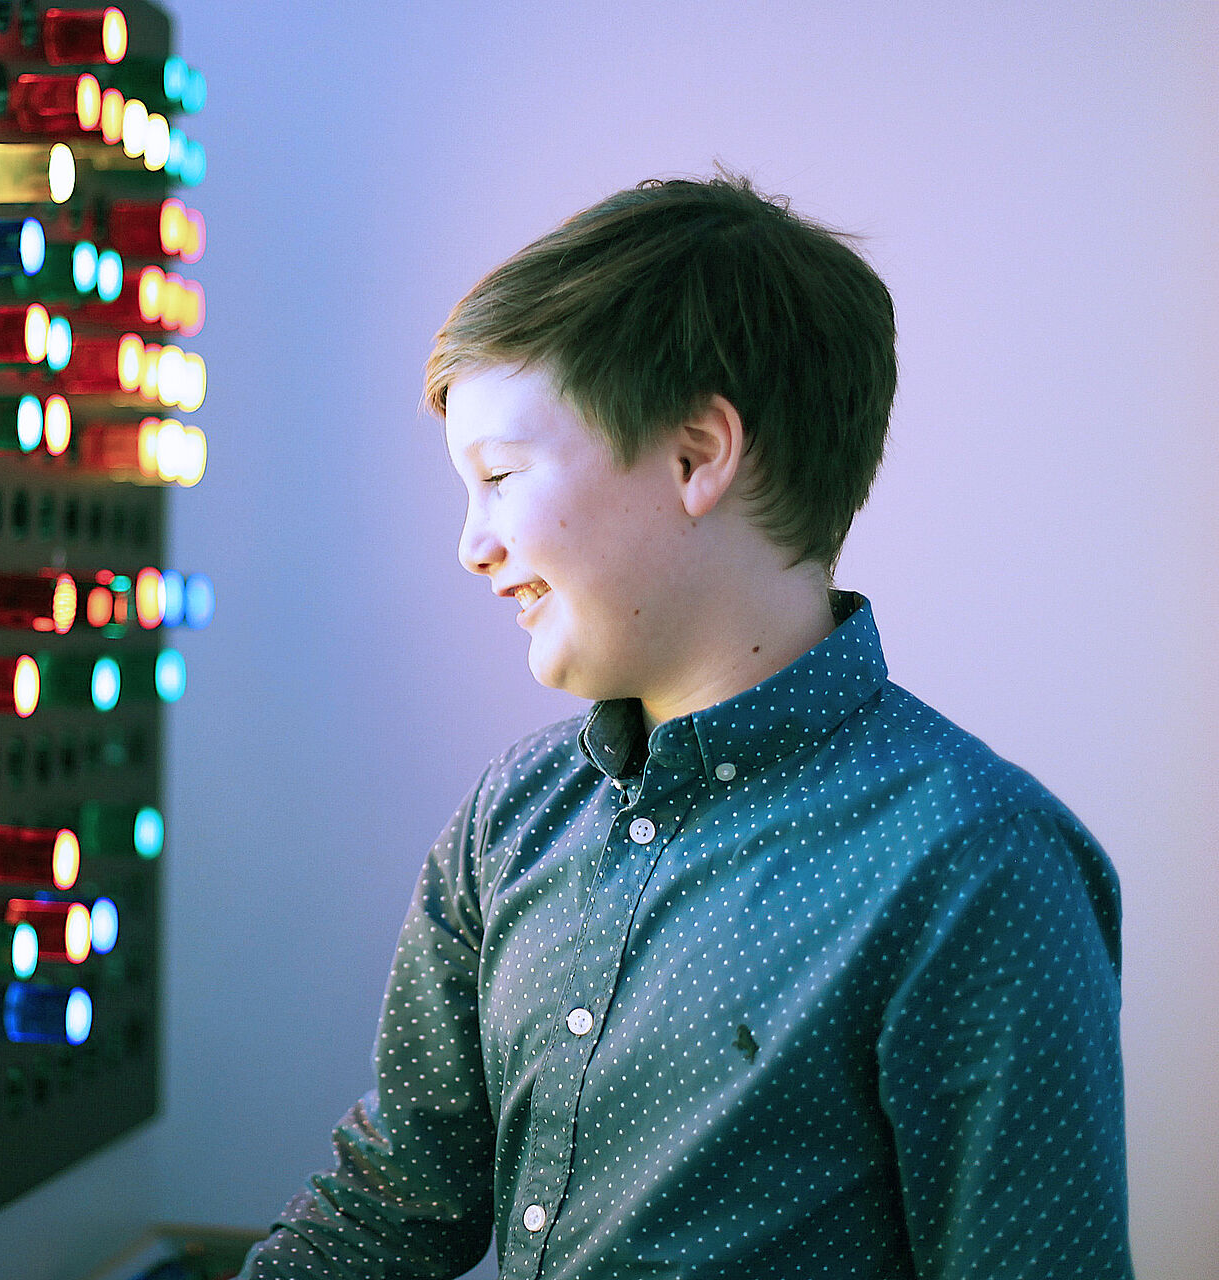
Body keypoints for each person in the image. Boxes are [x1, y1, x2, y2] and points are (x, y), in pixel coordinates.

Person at [234, 167, 1133, 1279]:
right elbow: (391, 1201)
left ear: (697, 455)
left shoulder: (978, 864)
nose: (473, 545)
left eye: (502, 475)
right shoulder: (513, 815)